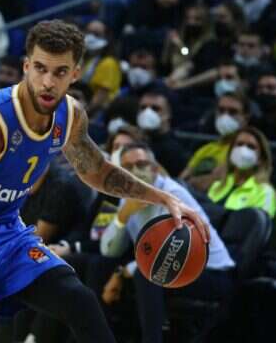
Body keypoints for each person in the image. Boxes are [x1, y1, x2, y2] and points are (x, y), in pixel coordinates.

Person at [0, 20, 209, 342]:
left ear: (75, 74)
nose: (47, 82)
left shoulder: (70, 116)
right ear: (26, 66)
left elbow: (97, 171)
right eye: (40, 69)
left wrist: (163, 197)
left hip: (8, 230)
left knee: (80, 300)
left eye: (60, 72)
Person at [100, 143, 235, 343]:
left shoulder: (173, 195)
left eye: (142, 164)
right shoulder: (127, 195)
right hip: (173, 269)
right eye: (128, 167)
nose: (135, 171)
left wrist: (122, 272)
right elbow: (108, 251)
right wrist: (123, 216)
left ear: (155, 169)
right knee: (100, 264)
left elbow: (168, 255)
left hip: (211, 273)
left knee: (148, 274)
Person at [181, 92, 251, 192]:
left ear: (245, 118)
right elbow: (182, 179)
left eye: (233, 112)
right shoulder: (206, 148)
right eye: (221, 110)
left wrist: (191, 182)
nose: (225, 116)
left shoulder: (244, 150)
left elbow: (209, 183)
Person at [208, 126, 276, 218]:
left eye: (251, 147)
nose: (243, 150)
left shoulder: (265, 192)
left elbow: (261, 224)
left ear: (260, 159)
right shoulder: (217, 185)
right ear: (231, 152)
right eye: (239, 144)